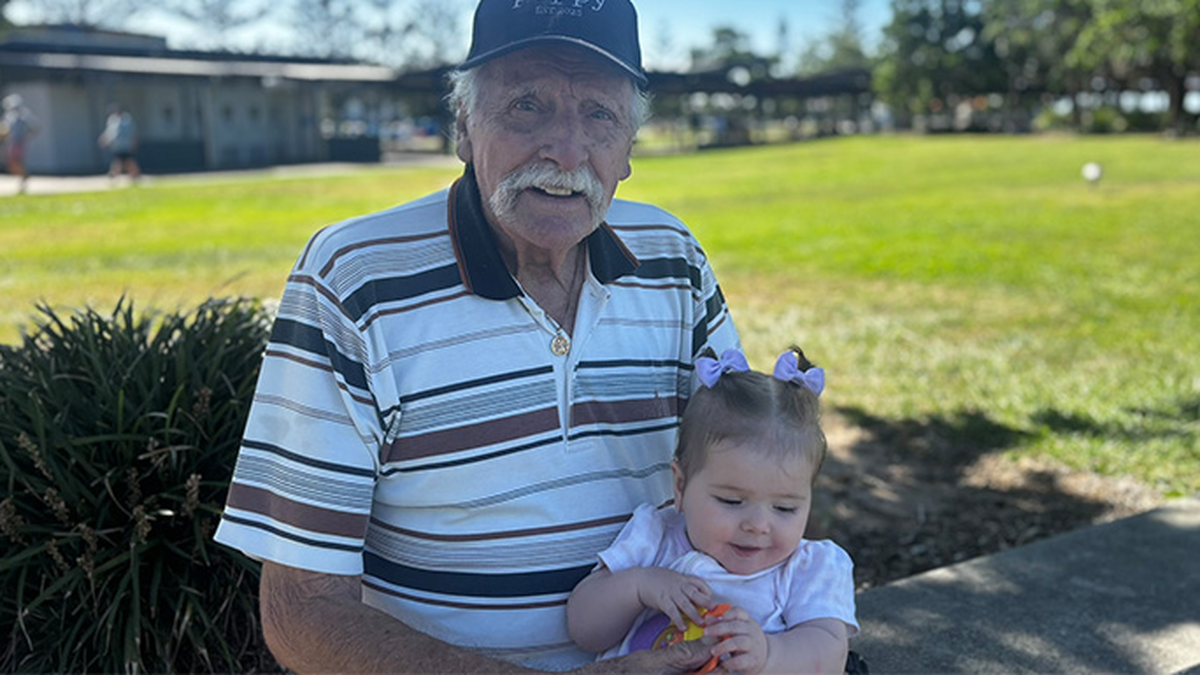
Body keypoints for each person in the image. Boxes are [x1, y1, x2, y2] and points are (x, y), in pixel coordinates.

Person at [213, 0, 740, 672]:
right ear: (462, 125)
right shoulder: (354, 278)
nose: (566, 151)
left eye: (599, 115)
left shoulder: (673, 259)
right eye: (527, 105)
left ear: (629, 146)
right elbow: (301, 611)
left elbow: (752, 479)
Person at [567, 348, 859, 674]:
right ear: (680, 486)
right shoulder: (655, 537)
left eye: (784, 507)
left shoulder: (806, 569)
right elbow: (584, 629)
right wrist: (638, 587)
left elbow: (829, 656)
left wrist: (769, 655)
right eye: (732, 502)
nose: (758, 525)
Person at [1, 94, 38, 194]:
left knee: (16, 161)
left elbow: (34, 127)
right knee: (11, 164)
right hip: (10, 143)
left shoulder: (24, 115)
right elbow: (5, 129)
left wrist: (25, 136)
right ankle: (23, 176)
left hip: (18, 142)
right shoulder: (9, 116)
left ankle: (24, 177)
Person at [98, 104, 140, 183]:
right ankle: (116, 174)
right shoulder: (112, 120)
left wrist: (134, 143)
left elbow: (132, 133)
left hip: (126, 145)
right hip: (117, 145)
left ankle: (130, 174)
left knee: (126, 160)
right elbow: (110, 132)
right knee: (121, 160)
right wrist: (105, 139)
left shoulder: (127, 120)